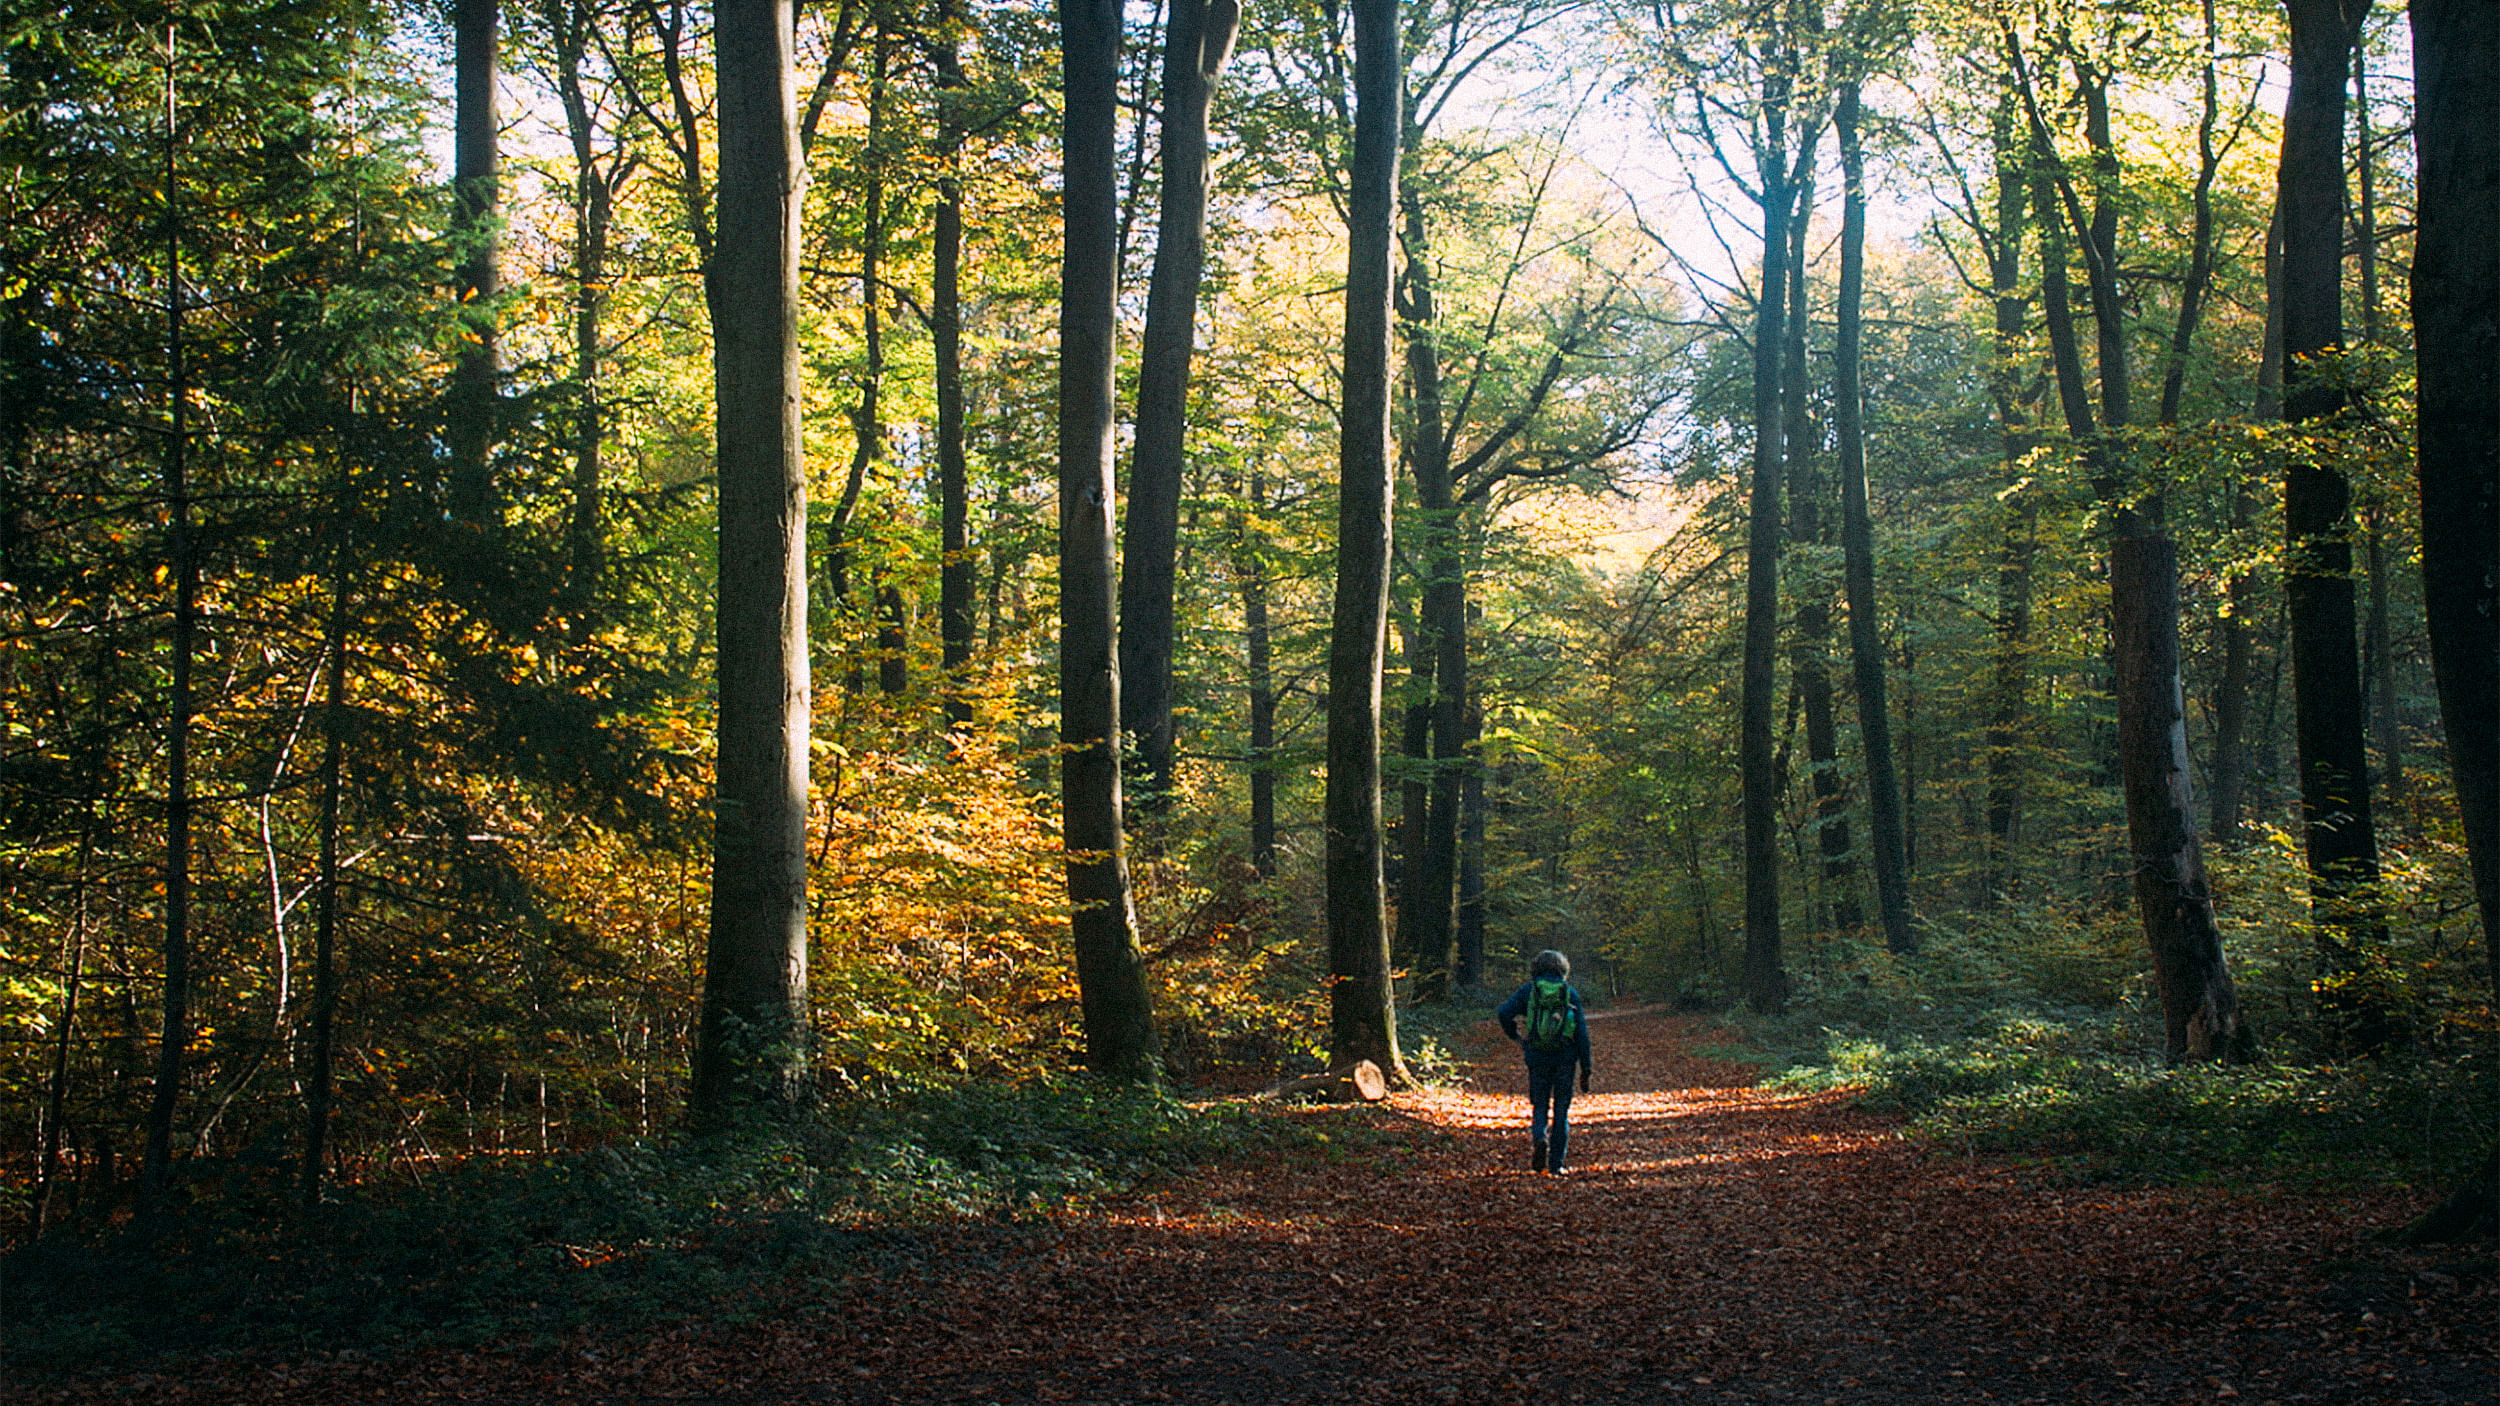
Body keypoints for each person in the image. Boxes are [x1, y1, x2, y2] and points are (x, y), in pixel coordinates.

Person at [1496, 949, 1593, 1174]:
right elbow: (1582, 1033)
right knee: (1561, 1110)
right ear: (1563, 969)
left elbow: (1503, 1013)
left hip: (1537, 1057)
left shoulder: (1529, 992)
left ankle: (1540, 1137)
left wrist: (1516, 1036)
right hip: (1565, 1059)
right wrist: (1586, 1067)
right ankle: (1556, 1165)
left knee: (1539, 1105)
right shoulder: (1569, 993)